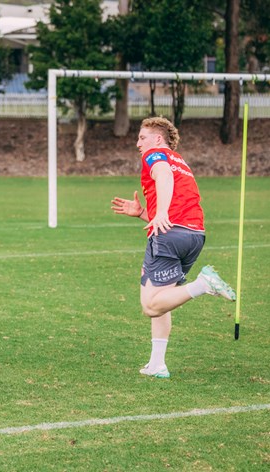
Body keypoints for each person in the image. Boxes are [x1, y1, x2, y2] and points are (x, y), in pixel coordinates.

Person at [110, 117, 236, 379]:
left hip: (169, 234)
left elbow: (164, 177)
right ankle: (157, 364)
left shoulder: (156, 155)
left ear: (157, 139)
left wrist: (161, 214)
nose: (138, 143)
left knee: (150, 306)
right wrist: (145, 212)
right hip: (194, 235)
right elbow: (176, 197)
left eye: (142, 137)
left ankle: (203, 285)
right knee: (162, 300)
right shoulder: (180, 161)